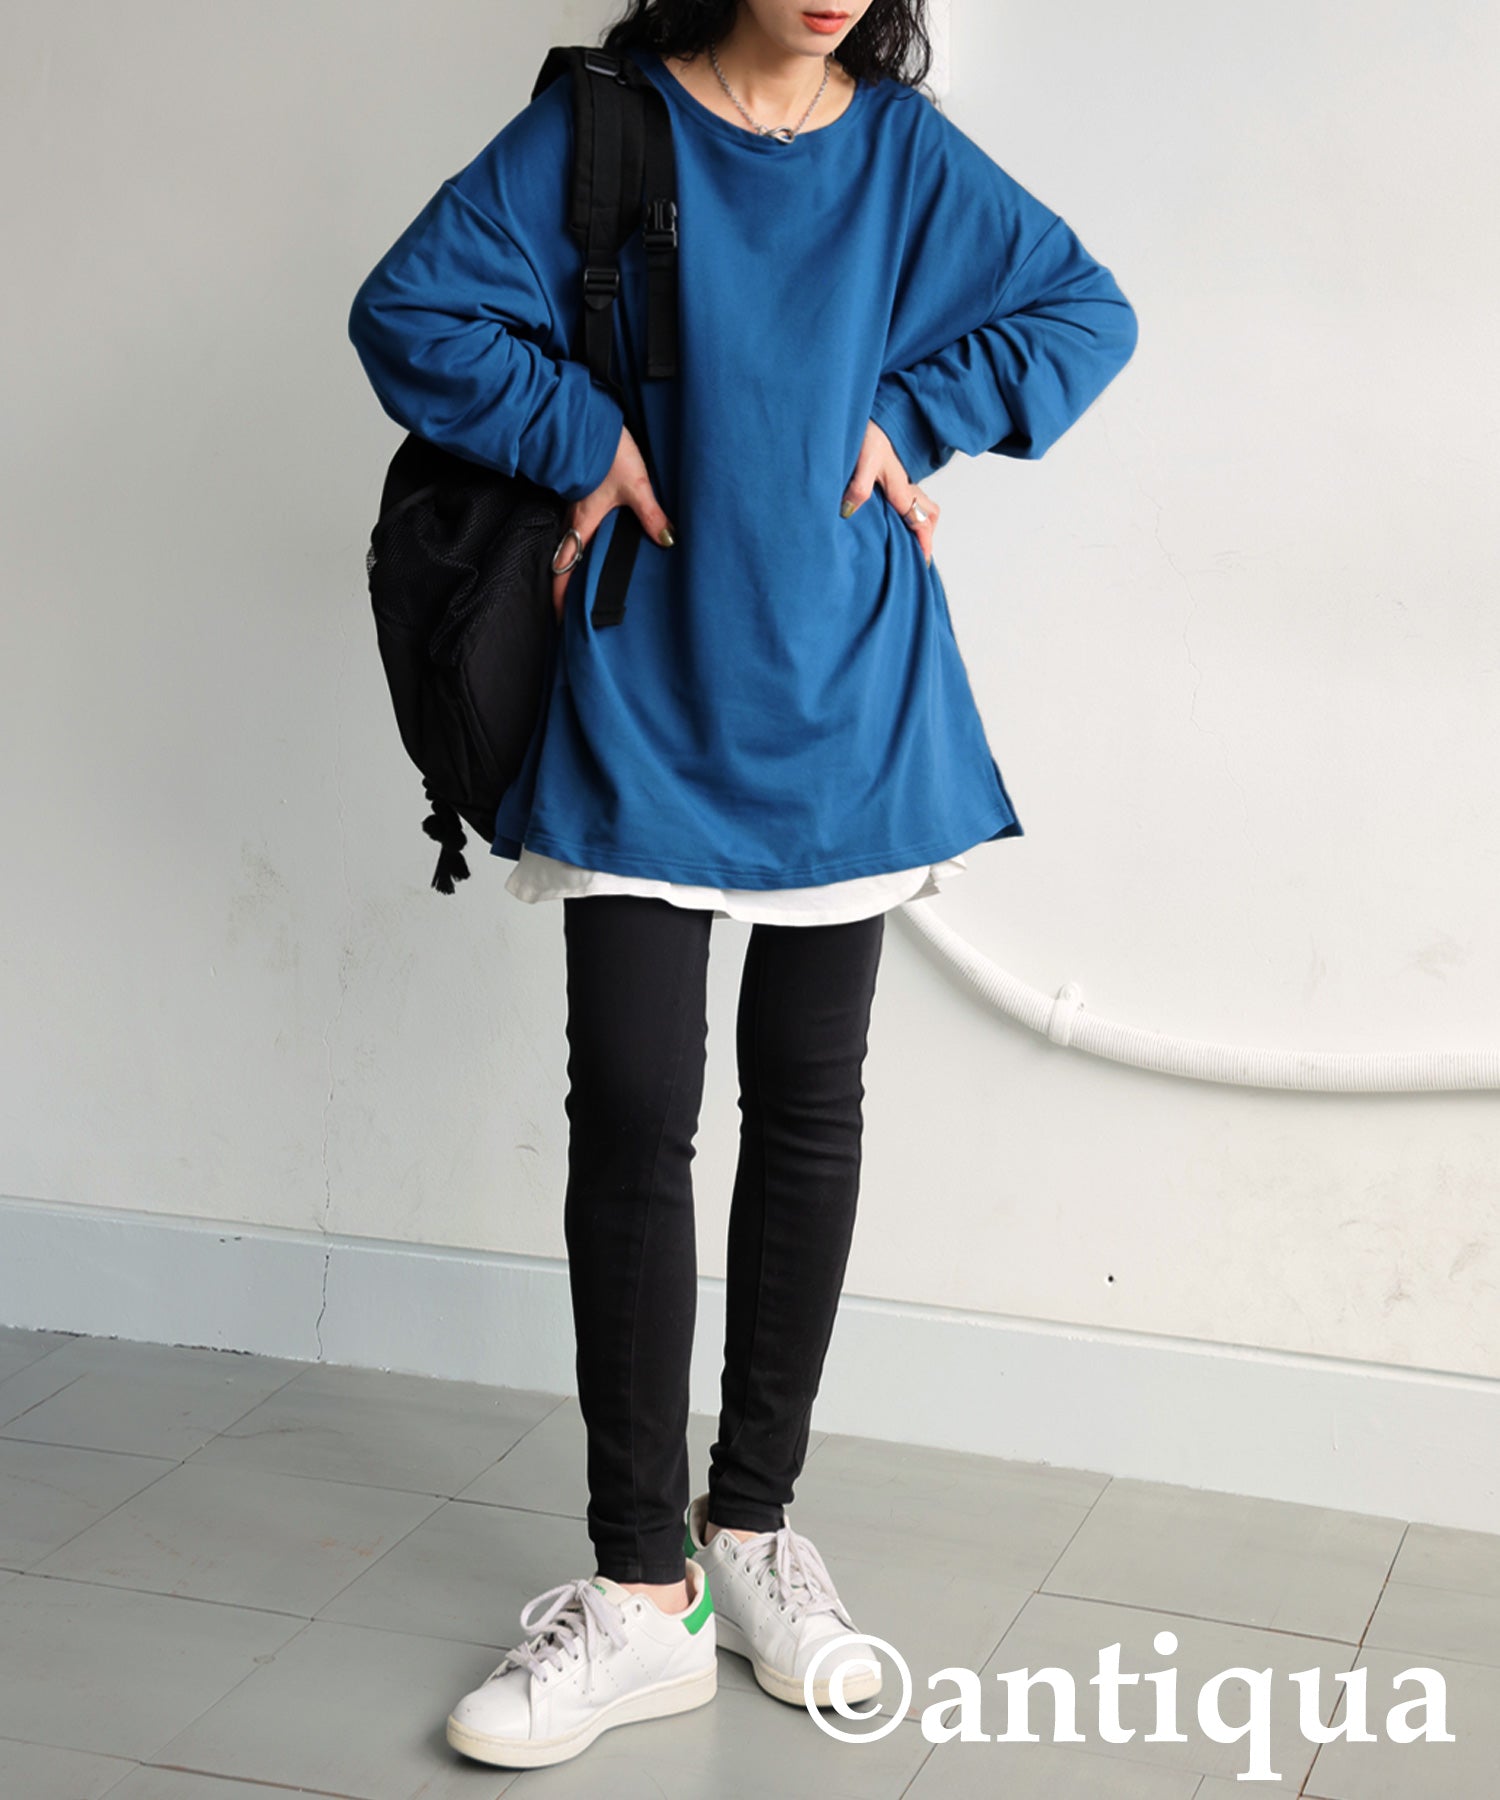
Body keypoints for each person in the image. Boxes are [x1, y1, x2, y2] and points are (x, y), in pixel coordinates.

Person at [348, 0, 1137, 1770]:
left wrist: (920, 410)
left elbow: (1087, 310)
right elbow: (409, 309)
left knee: (808, 1106)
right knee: (635, 1108)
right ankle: (642, 1590)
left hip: (850, 693)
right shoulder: (607, 127)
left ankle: (754, 1528)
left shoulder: (904, 153)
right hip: (644, 681)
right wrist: (581, 436)